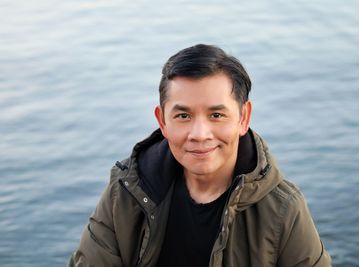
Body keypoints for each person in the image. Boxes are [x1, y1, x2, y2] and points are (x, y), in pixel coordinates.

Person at [68, 44, 331, 267]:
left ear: (243, 118)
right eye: (183, 116)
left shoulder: (283, 209)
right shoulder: (126, 192)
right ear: (163, 121)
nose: (200, 134)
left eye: (216, 115)